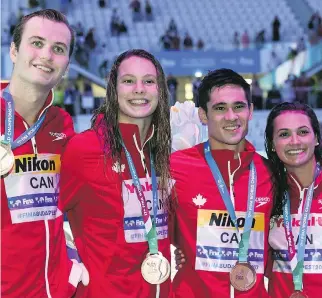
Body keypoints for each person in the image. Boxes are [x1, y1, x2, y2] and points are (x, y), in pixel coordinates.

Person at [58, 49, 173, 298]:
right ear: (113, 89)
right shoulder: (85, 149)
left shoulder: (162, 153)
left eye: (149, 81)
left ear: (160, 90)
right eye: (128, 81)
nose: (139, 89)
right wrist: (65, 267)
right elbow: (45, 219)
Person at [1, 9, 88, 298]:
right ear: (14, 50)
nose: (47, 55)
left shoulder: (62, 124)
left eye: (58, 49)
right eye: (36, 43)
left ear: (67, 64)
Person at [170, 68, 273, 297]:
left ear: (251, 110)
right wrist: (183, 250)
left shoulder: (270, 173)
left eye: (238, 106)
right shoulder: (175, 167)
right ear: (203, 115)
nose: (231, 116)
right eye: (219, 108)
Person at [265, 102, 322, 298]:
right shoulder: (265, 194)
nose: (294, 141)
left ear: (316, 138)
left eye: (303, 132)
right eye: (284, 134)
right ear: (272, 144)